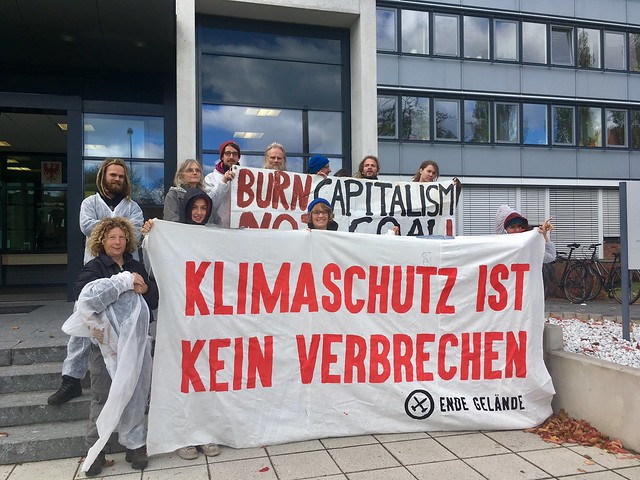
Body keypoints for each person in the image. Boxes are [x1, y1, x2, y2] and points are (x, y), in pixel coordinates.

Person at [64, 217, 158, 476]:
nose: (117, 242)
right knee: (103, 395)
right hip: (106, 345)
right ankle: (96, 451)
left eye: (121, 238)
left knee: (136, 394)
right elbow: (86, 298)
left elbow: (153, 299)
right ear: (102, 241)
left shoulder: (136, 265)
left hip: (136, 344)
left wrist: (146, 288)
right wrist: (125, 281)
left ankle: (135, 445)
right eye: (112, 238)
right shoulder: (94, 267)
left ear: (127, 240)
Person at [48, 158, 144, 406]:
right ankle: (71, 379)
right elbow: (87, 226)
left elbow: (135, 233)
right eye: (113, 175)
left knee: (125, 323)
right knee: (83, 322)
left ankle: (127, 377)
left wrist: (112, 227)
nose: (117, 179)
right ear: (103, 176)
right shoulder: (89, 203)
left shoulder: (132, 206)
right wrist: (119, 226)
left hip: (124, 271)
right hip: (95, 271)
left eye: (121, 176)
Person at [141, 188, 221, 461]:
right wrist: (151, 236)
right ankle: (182, 435)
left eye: (204, 208)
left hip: (208, 318)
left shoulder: (214, 236)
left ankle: (206, 432)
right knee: (180, 376)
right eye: (194, 207)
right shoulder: (172, 235)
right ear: (186, 209)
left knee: (206, 376)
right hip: (179, 317)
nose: (199, 212)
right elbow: (153, 264)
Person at [165, 159, 217, 224]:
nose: (195, 173)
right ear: (181, 174)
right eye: (190, 170)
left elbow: (214, 221)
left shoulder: (205, 196)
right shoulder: (174, 195)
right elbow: (171, 222)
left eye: (197, 170)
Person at [202, 140, 241, 228]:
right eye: (227, 153)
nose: (231, 157)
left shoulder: (247, 179)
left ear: (238, 158)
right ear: (222, 157)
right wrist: (223, 182)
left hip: (241, 229)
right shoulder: (210, 178)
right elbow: (209, 204)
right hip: (217, 229)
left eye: (235, 154)